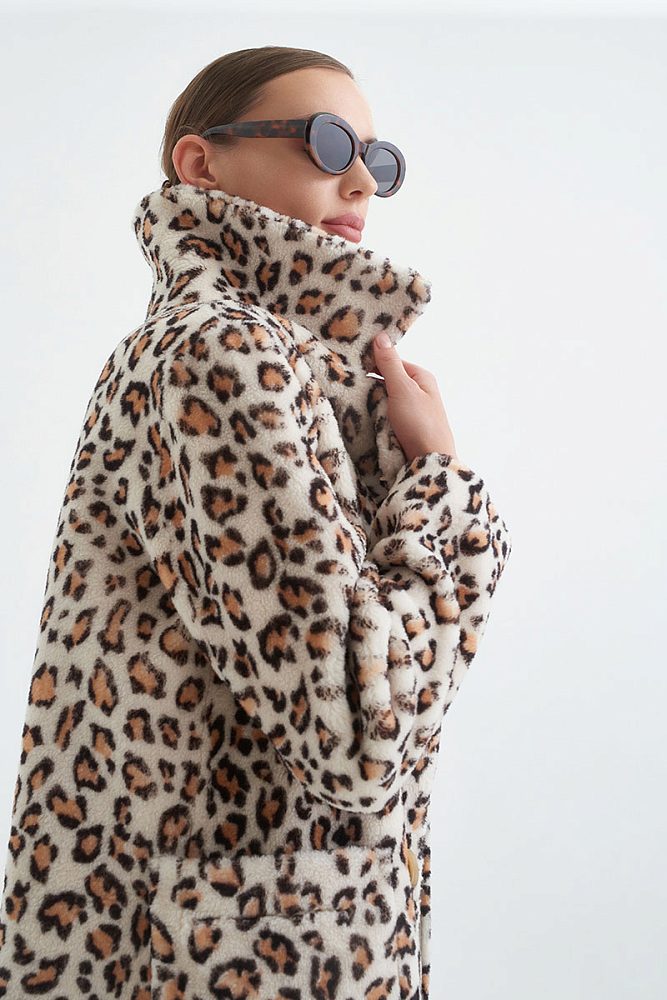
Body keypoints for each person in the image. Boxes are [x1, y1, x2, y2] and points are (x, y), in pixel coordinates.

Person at [0, 46, 512, 999]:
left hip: (224, 929)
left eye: (378, 159)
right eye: (327, 143)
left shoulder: (260, 356)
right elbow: (356, 738)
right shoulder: (224, 353)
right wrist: (443, 487)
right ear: (201, 165)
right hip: (227, 954)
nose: (361, 181)